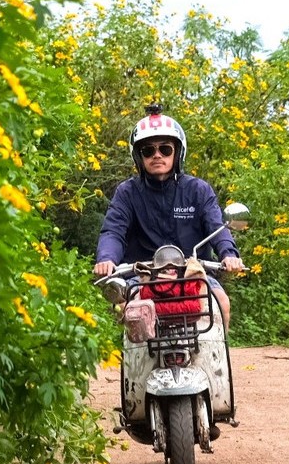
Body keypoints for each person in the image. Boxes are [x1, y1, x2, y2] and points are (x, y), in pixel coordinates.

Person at [93, 104, 243, 329]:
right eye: (148, 151)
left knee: (221, 302)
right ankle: (136, 365)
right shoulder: (127, 193)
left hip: (193, 274)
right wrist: (106, 259)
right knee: (129, 307)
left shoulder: (198, 190)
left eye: (165, 149)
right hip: (142, 275)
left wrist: (228, 254)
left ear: (177, 152)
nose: (157, 156)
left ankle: (219, 364)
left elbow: (216, 226)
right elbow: (114, 230)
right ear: (138, 156)